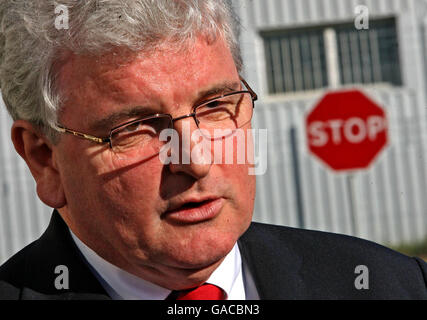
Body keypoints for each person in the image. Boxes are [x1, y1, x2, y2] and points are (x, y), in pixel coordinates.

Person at [0, 0, 425, 300]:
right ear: (44, 159)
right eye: (135, 128)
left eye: (216, 106)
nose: (196, 160)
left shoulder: (394, 286)